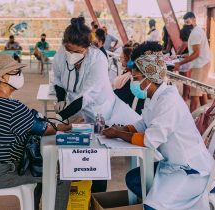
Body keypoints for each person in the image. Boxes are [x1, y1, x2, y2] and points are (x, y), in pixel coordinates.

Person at [102, 41, 213, 210]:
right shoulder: (154, 97)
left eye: (135, 77)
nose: (132, 81)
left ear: (149, 78)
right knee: (134, 180)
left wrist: (117, 133)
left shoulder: (168, 101)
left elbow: (149, 140)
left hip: (190, 170)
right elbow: (142, 124)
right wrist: (122, 129)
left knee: (152, 206)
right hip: (171, 164)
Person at [0, 54, 75, 210]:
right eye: (16, 72)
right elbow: (46, 130)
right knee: (61, 173)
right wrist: (66, 126)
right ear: (3, 77)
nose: (20, 75)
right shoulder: (12, 109)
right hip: (2, 173)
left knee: (41, 165)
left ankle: (33, 205)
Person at [52, 16, 140, 193]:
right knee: (76, 155)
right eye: (69, 49)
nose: (71, 54)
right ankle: (78, 195)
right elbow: (58, 80)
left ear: (87, 47)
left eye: (77, 51)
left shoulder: (97, 59)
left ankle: (98, 197)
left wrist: (58, 119)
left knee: (98, 155)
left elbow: (87, 96)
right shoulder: (61, 53)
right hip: (77, 109)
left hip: (101, 111)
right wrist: (61, 101)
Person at [174, 12, 211, 112]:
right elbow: (195, 52)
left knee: (194, 93)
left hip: (200, 65)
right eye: (186, 22)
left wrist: (179, 63)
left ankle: (190, 121)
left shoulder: (195, 33)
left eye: (189, 21)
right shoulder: (197, 30)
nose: (187, 23)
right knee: (202, 91)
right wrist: (182, 56)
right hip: (203, 63)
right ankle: (205, 116)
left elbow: (196, 54)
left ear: (194, 19)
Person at [113, 43, 145, 114]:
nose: (120, 60)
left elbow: (120, 96)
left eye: (121, 57)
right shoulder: (129, 75)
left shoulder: (131, 78)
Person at [176, 24, 193, 101]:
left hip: (185, 63)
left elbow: (178, 53)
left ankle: (185, 96)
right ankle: (187, 94)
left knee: (185, 81)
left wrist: (178, 51)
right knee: (187, 80)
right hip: (190, 62)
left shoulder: (185, 43)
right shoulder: (191, 41)